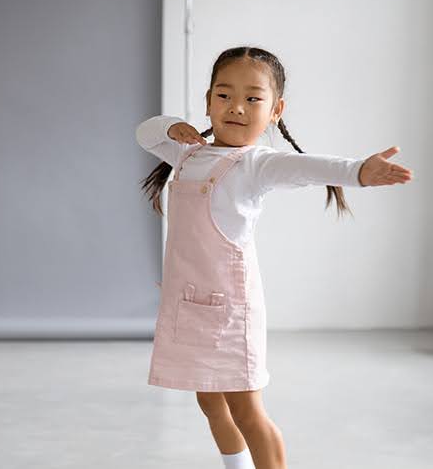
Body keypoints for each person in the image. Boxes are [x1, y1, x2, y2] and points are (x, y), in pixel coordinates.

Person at [137, 46, 412, 469]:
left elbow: (311, 167)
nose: (237, 108)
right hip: (188, 306)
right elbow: (146, 132)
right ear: (208, 101)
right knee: (210, 403)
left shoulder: (257, 165)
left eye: (253, 98)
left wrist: (359, 171)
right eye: (224, 95)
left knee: (247, 411)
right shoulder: (187, 154)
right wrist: (174, 127)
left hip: (230, 312)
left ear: (276, 109)